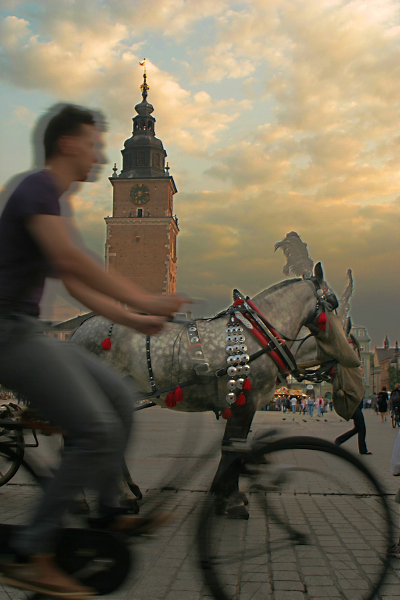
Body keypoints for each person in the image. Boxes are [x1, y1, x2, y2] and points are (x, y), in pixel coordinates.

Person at [0, 105, 187, 598]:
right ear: (66, 145)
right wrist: (145, 298)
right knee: (95, 428)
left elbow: (80, 288)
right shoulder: (36, 188)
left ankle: (107, 515)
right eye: (92, 143)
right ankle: (32, 553)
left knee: (120, 399)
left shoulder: (54, 202)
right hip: (6, 334)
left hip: (23, 331)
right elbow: (68, 261)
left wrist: (133, 319)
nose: (101, 155)